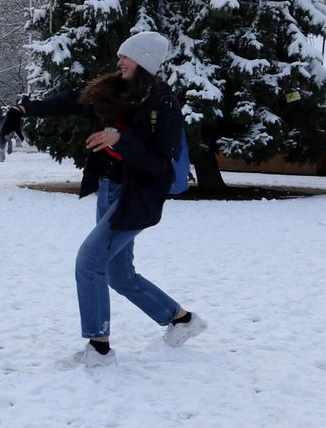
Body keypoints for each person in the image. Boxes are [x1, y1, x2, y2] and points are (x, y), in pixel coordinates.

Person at [13, 31, 207, 368]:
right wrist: (27, 108)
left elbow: (158, 165)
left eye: (126, 57)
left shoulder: (164, 104)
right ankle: (182, 320)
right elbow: (74, 101)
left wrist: (119, 139)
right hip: (109, 188)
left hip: (137, 197)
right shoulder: (115, 90)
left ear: (144, 61)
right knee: (119, 275)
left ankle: (99, 350)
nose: (119, 62)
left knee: (89, 261)